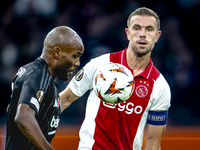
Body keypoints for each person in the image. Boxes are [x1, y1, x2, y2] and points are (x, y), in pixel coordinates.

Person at [60, 7, 171, 150]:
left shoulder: (160, 86)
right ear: (128, 33)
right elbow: (64, 99)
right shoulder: (101, 64)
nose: (142, 34)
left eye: (149, 29)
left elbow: (153, 142)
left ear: (157, 36)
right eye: (136, 28)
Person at [5, 26, 84, 150]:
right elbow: (23, 116)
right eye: (75, 56)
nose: (77, 63)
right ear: (57, 52)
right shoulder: (39, 75)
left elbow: (11, 108)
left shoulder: (37, 75)